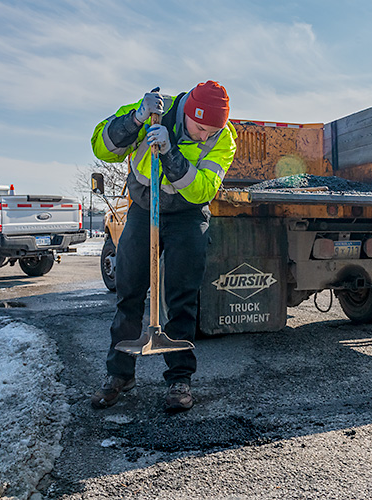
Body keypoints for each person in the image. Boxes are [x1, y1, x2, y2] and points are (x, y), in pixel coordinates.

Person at [90, 81, 237, 411]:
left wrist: (171, 154)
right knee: (128, 290)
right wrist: (137, 120)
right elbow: (102, 148)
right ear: (186, 112)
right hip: (144, 210)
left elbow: (200, 191)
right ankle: (120, 375)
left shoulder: (224, 138)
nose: (204, 136)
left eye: (211, 131)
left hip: (187, 214)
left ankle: (179, 379)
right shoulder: (156, 110)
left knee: (182, 296)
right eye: (199, 128)